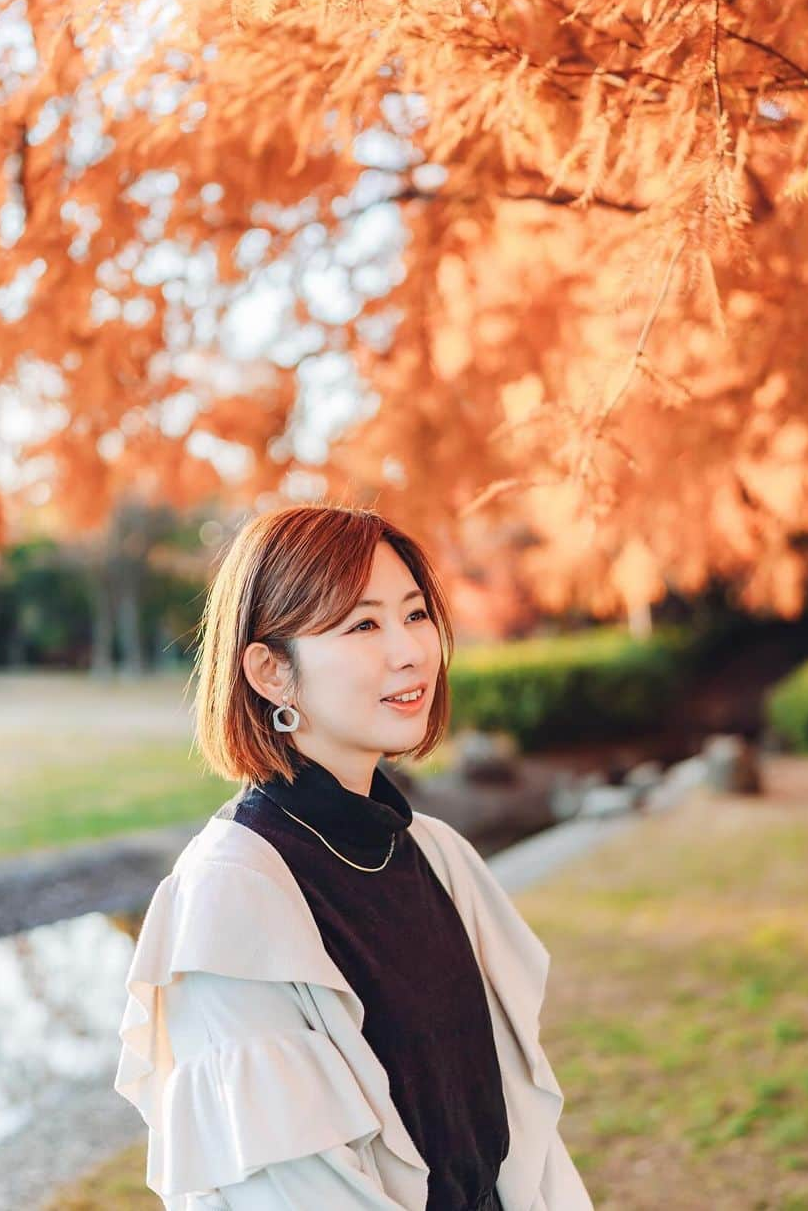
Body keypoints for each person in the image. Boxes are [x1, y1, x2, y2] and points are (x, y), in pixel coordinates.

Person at [115, 503, 594, 1210]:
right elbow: (289, 1190)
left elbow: (511, 1138)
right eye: (364, 624)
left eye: (415, 614)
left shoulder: (438, 856)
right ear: (271, 672)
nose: (409, 651)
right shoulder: (230, 901)